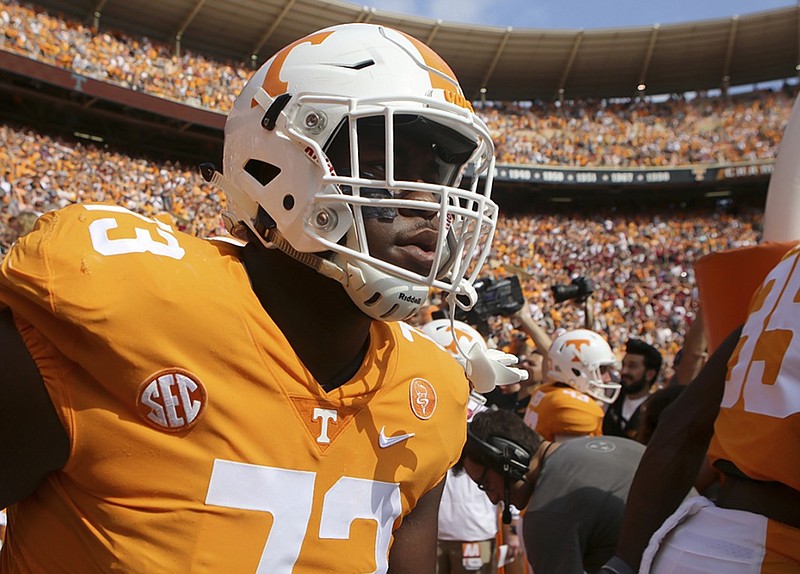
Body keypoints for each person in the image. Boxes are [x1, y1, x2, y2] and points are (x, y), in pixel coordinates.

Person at [0, 23, 506, 573]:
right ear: (279, 159)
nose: (432, 204)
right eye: (388, 166)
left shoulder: (431, 388)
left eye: (438, 176)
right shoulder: (126, 308)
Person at [602, 243, 800, 574]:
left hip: (692, 541)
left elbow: (683, 423)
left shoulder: (786, 265)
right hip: (774, 550)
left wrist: (623, 562)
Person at [458, 408, 646, 574]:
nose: (492, 498)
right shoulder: (616, 446)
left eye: (486, 483)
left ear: (510, 458)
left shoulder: (546, 511)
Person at [421, 320, 523, 574]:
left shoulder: (486, 419)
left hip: (472, 530)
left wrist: (511, 531)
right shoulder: (411, 412)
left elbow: (506, 477)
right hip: (425, 531)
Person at [524, 328, 620, 442]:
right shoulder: (572, 407)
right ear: (575, 370)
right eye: (602, 369)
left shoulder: (547, 391)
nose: (608, 378)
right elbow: (575, 458)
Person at [603, 339, 663, 440]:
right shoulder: (610, 396)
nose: (624, 371)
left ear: (650, 374)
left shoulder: (656, 411)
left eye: (632, 366)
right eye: (624, 365)